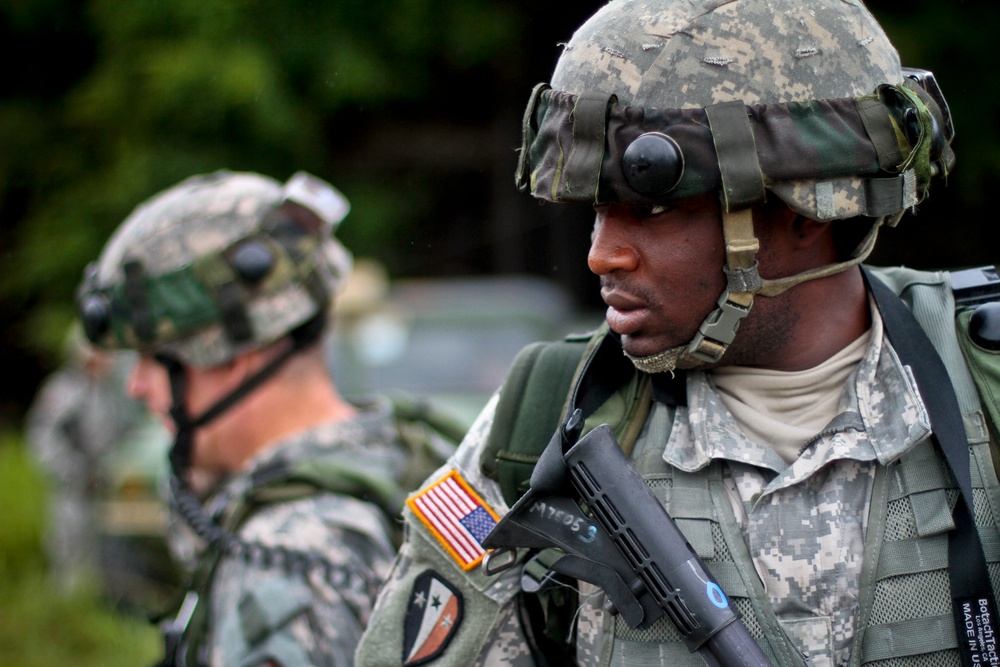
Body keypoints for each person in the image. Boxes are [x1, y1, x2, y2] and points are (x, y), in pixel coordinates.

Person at [355, 1, 1000, 666]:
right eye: (599, 210)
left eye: (653, 208)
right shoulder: (547, 424)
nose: (603, 255)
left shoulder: (982, 389)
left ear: (807, 210)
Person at [77, 170, 455, 666]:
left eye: (153, 358)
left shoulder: (286, 555)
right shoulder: (407, 453)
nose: (137, 385)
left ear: (230, 353)